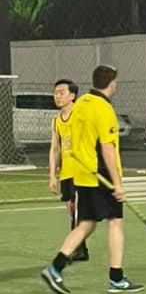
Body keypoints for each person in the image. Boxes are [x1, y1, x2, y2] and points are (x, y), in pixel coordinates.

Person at [41, 64, 144, 294]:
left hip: (82, 173)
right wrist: (117, 183)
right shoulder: (103, 108)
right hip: (101, 174)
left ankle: (55, 267)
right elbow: (107, 149)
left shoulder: (82, 105)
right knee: (115, 221)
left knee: (87, 223)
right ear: (112, 84)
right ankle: (116, 278)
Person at [48, 78, 89, 262]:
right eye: (56, 93)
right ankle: (82, 249)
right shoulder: (56, 121)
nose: (57, 96)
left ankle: (73, 249)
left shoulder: (80, 115)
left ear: (72, 96)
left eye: (61, 93)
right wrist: (52, 175)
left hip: (82, 172)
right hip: (66, 173)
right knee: (72, 212)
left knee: (79, 211)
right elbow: (55, 149)